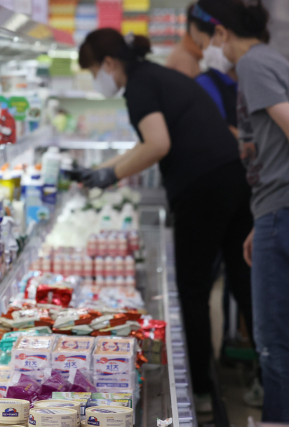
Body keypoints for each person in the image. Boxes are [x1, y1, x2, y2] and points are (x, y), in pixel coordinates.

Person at [74, 28, 254, 412]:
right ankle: (269, 380)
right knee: (244, 281)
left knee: (192, 288)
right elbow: (146, 144)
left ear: (109, 63)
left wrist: (110, 175)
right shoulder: (155, 75)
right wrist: (100, 172)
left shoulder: (139, 87)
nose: (95, 80)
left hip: (202, 188)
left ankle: (201, 392)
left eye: (92, 71)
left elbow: (157, 145)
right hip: (232, 177)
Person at [196, 0, 289, 421]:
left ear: (221, 32)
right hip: (275, 211)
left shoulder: (252, 63)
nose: (206, 51)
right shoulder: (271, 58)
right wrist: (263, 221)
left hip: (281, 208)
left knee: (275, 346)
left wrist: (276, 213)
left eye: (205, 40)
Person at [189, 4, 239, 137]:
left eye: (201, 44)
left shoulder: (256, 69)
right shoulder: (207, 82)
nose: (203, 52)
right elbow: (219, 128)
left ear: (221, 33)